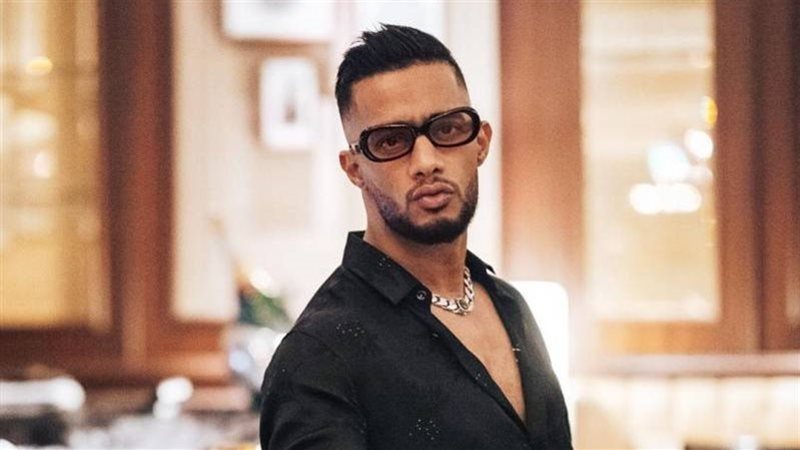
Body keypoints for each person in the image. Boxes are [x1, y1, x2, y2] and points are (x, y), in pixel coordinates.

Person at [259, 24, 572, 450]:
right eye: (391, 141)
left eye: (447, 130)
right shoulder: (319, 354)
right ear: (354, 168)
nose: (426, 161)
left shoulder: (510, 305)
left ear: (480, 142)